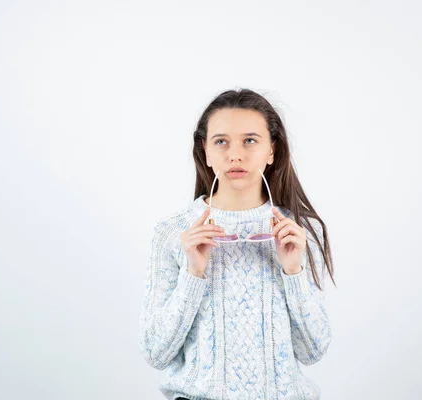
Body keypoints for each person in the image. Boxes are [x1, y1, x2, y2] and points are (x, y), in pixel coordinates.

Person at [138, 88, 336, 400]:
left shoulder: (296, 232)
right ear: (205, 150)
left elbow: (313, 351)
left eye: (250, 140)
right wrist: (193, 275)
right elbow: (155, 352)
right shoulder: (172, 232)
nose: (235, 155)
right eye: (221, 142)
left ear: (272, 149)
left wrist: (293, 271)